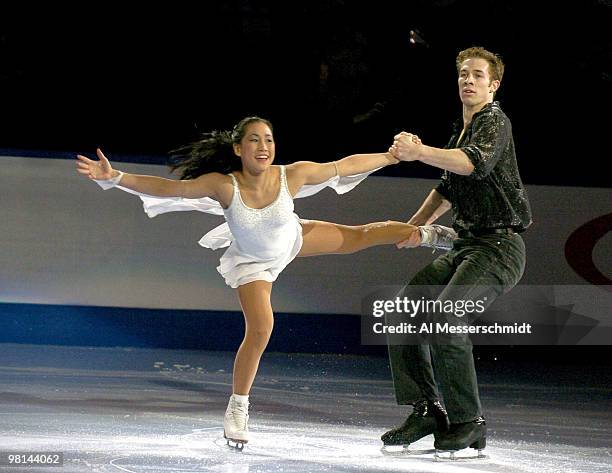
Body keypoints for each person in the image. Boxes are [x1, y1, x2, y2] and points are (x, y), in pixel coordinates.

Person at [76, 116, 453, 449]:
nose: (264, 146)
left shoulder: (292, 174)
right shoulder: (223, 185)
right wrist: (116, 178)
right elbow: (170, 189)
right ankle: (238, 408)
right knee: (261, 327)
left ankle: (433, 235)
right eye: (254, 139)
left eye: (269, 139)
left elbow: (342, 166)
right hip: (252, 263)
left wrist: (391, 156)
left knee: (359, 237)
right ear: (239, 148)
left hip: (291, 237)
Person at [381, 47, 532, 456]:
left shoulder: (493, 121)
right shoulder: (460, 132)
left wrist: (419, 151)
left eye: (478, 75)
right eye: (464, 73)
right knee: (405, 310)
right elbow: (447, 187)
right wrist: (414, 227)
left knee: (446, 316)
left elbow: (473, 164)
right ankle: (426, 409)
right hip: (467, 246)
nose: (468, 80)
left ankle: (469, 421)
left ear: (493, 85)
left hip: (499, 247)